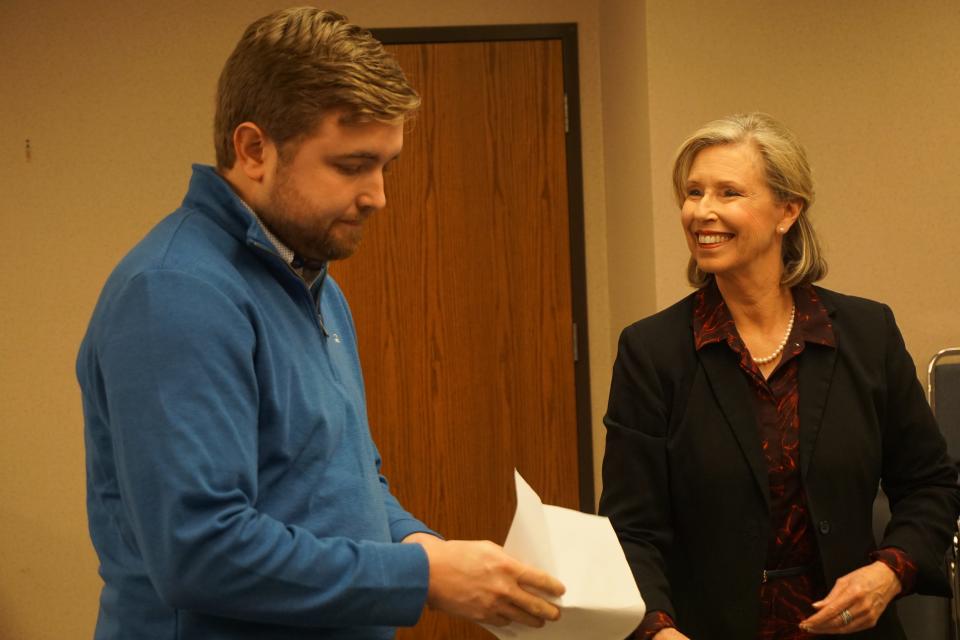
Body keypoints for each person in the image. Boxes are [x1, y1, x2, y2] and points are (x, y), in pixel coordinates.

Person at [76, 8, 563, 639]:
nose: (378, 195)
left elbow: (345, 481)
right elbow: (199, 551)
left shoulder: (312, 283)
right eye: (352, 164)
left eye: (385, 164)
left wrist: (421, 546)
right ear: (254, 149)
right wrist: (423, 577)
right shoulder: (176, 293)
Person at [599, 112, 959, 639]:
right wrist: (657, 629)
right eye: (693, 192)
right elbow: (632, 530)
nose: (703, 212)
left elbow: (930, 483)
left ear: (787, 211)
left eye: (728, 193)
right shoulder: (652, 351)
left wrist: (890, 573)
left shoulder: (866, 333)